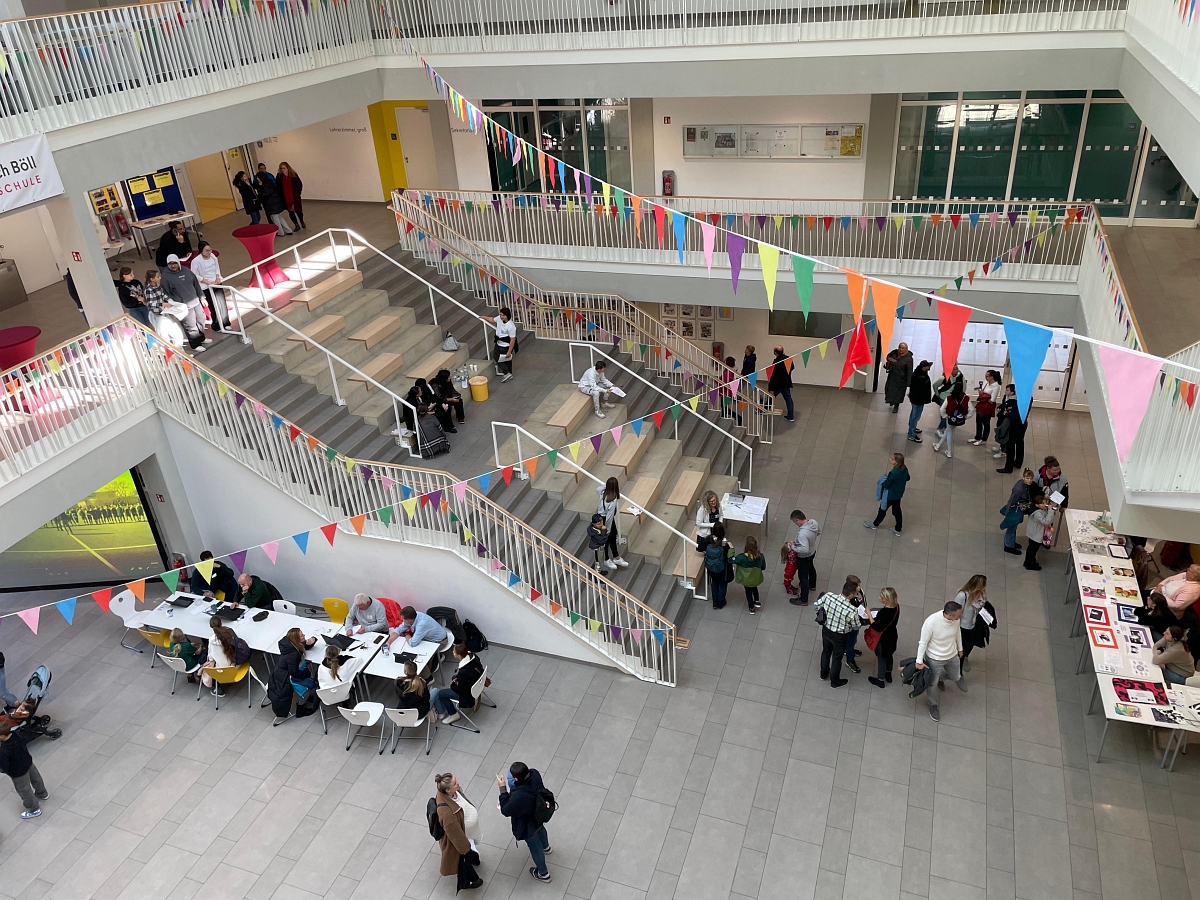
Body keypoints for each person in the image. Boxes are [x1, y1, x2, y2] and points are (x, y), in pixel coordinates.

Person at [497, 762, 553, 883]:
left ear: (516, 779)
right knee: (541, 830)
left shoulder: (518, 795)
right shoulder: (535, 774)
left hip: (527, 825)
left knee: (535, 847)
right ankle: (546, 847)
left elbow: (506, 810)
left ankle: (543, 873)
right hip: (539, 815)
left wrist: (503, 789)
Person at [916, 601, 966, 721]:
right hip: (935, 659)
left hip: (952, 656)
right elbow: (923, 643)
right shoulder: (931, 622)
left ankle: (939, 679)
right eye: (959, 614)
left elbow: (958, 632)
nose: (961, 616)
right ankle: (933, 704)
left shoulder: (956, 620)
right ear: (950, 615)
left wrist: (960, 649)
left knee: (955, 677)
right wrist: (919, 660)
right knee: (932, 684)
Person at [434, 773, 483, 889]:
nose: (458, 783)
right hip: (458, 843)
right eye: (455, 783)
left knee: (466, 859)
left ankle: (474, 862)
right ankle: (473, 880)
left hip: (465, 833)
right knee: (463, 861)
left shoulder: (451, 793)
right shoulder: (447, 814)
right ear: (447, 790)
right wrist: (465, 849)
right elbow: (455, 835)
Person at [814, 580, 862, 688]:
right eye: (855, 593)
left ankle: (823, 674)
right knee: (836, 658)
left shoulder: (829, 596)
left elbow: (816, 606)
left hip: (826, 630)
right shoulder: (852, 610)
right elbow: (856, 626)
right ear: (851, 595)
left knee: (826, 652)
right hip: (840, 636)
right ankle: (834, 681)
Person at [267, 628, 318, 720]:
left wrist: (313, 640)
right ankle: (300, 709)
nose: (304, 636)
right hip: (287, 678)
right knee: (307, 688)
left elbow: (302, 646)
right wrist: (307, 674)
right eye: (302, 636)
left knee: (308, 683)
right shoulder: (293, 654)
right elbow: (294, 673)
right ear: (296, 639)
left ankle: (305, 698)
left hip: (282, 673)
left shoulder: (289, 644)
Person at [161, 254, 209, 351]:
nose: (173, 265)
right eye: (170, 264)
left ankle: (201, 338)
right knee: (190, 325)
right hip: (184, 306)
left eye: (175, 263)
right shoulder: (165, 277)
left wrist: (202, 297)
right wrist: (176, 305)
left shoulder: (186, 271)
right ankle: (195, 344)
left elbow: (196, 284)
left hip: (195, 301)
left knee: (201, 320)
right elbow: (166, 293)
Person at [0, 724, 47, 819]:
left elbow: (4, 765)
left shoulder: (4, 750)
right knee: (36, 778)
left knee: (24, 790)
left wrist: (6, 771)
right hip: (27, 761)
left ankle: (34, 809)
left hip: (17, 771)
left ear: (2, 736)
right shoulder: (17, 734)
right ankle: (42, 793)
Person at [430, 643, 483, 724]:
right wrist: (457, 679)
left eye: (454, 652)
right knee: (454, 677)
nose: (453, 652)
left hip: (467, 696)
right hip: (476, 683)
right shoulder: (473, 657)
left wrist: (453, 685)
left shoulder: (463, 672)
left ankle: (453, 714)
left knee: (441, 693)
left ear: (459, 655)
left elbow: (460, 690)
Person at [865, 452, 909, 535]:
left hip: (890, 495)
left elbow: (887, 485)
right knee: (897, 511)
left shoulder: (893, 472)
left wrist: (882, 481)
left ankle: (875, 524)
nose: (890, 459)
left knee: (882, 509)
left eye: (892, 459)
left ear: (896, 462)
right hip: (898, 494)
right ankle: (898, 529)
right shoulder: (904, 468)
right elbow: (908, 478)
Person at [864, 587, 900, 688]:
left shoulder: (884, 613)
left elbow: (876, 627)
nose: (879, 597)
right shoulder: (896, 607)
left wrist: (869, 615)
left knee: (881, 658)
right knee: (889, 655)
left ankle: (880, 680)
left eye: (881, 596)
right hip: (892, 636)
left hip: (883, 640)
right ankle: (888, 673)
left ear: (887, 599)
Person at [190, 241, 230, 332]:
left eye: (210, 250)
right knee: (213, 305)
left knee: (222, 303)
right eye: (206, 251)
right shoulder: (196, 261)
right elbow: (194, 274)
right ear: (201, 251)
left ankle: (225, 323)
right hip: (205, 286)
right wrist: (206, 281)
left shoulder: (213, 257)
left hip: (216, 282)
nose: (209, 252)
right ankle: (216, 324)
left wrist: (217, 277)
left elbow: (217, 268)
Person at [954, 575, 989, 671]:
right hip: (963, 626)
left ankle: (965, 657)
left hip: (975, 624)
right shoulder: (963, 596)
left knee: (971, 643)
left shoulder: (981, 594)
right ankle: (958, 663)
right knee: (963, 646)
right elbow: (955, 611)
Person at [789, 510, 821, 606]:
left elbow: (804, 549)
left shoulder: (802, 534)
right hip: (812, 551)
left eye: (794, 522)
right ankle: (812, 585)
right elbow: (819, 532)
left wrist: (793, 547)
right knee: (811, 567)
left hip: (803, 557)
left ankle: (803, 599)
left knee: (803, 577)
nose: (795, 524)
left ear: (798, 520)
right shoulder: (814, 522)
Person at [1000, 469, 1035, 555]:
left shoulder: (1023, 484)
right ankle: (1009, 546)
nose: (1029, 480)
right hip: (1015, 509)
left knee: (1013, 527)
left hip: (1017, 508)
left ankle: (1011, 542)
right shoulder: (1019, 489)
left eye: (1031, 478)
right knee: (1012, 526)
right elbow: (1012, 500)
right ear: (1023, 478)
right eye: (1027, 478)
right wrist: (1008, 512)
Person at [596, 477, 629, 569]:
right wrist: (608, 529)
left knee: (613, 535)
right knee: (607, 539)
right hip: (605, 519)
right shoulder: (613, 499)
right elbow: (609, 517)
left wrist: (606, 485)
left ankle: (616, 557)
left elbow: (597, 488)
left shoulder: (602, 492)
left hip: (601, 517)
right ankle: (606, 559)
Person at [932, 380, 968, 459]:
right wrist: (965, 417)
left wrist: (945, 416)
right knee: (948, 431)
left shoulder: (949, 398)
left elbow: (942, 409)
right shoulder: (966, 398)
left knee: (949, 433)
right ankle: (938, 445)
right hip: (959, 419)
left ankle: (949, 451)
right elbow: (971, 410)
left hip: (950, 419)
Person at [994, 385, 1026, 473]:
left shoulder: (1018, 400)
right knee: (1020, 443)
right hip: (1023, 423)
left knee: (1011, 444)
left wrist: (1006, 413)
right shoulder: (1029, 398)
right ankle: (1018, 463)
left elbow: (1015, 414)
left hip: (1015, 424)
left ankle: (1008, 467)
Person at [1024, 494, 1058, 571]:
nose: (1045, 504)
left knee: (1033, 548)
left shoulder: (1041, 509)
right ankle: (1028, 563)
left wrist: (1053, 509)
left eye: (1045, 502)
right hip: (1035, 534)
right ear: (1037, 505)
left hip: (1036, 532)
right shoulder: (1037, 513)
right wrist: (1050, 511)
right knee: (1033, 548)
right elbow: (1046, 521)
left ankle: (1031, 560)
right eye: (1042, 503)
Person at [733, 536, 766, 614]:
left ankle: (751, 607)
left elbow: (731, 560)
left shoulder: (741, 557)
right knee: (754, 587)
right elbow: (763, 567)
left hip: (746, 579)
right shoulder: (760, 556)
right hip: (755, 578)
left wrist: (731, 550)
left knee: (748, 592)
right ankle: (757, 600)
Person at [255, 168, 294, 236]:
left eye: (257, 177)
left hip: (271, 204)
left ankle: (280, 232)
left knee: (275, 219)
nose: (257, 179)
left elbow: (263, 194)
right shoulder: (269, 182)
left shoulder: (264, 185)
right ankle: (288, 230)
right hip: (276, 203)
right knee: (280, 217)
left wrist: (260, 187)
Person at [703, 523, 733, 610]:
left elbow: (700, 547)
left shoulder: (709, 540)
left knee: (714, 583)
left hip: (711, 568)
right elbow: (730, 556)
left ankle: (715, 603)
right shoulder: (726, 544)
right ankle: (721, 602)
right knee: (723, 584)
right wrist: (732, 548)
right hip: (722, 569)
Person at [203, 620, 237, 692]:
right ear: (221, 623)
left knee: (206, 662)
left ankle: (218, 688)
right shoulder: (228, 634)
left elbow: (210, 657)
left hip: (219, 671)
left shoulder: (211, 641)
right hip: (233, 667)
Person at [484, 307, 516, 383]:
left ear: (507, 315)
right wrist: (484, 317)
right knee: (497, 357)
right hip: (498, 343)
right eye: (500, 315)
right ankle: (508, 373)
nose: (501, 316)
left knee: (503, 358)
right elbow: (493, 319)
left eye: (503, 315)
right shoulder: (499, 318)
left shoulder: (511, 326)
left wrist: (509, 351)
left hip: (505, 345)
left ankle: (507, 372)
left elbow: (512, 339)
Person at [970, 370, 1002, 446]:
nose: (985, 377)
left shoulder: (996, 386)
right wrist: (980, 390)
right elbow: (983, 390)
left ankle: (984, 439)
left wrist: (983, 395)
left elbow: (992, 400)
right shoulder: (986, 382)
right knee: (978, 421)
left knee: (986, 423)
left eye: (987, 376)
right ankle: (977, 437)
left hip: (988, 407)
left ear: (992, 377)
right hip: (981, 405)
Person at [932, 366, 964, 436]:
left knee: (947, 414)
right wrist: (937, 394)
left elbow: (963, 387)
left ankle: (944, 427)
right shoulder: (944, 377)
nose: (955, 371)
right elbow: (935, 385)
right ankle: (940, 428)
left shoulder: (961, 377)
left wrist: (961, 397)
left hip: (952, 398)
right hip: (943, 397)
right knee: (945, 413)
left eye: (956, 369)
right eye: (953, 369)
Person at [907, 360, 933, 443]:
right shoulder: (920, 377)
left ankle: (912, 428)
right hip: (918, 399)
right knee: (915, 416)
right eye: (928, 366)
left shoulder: (919, 372)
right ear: (924, 367)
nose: (930, 367)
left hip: (918, 399)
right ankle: (912, 434)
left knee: (915, 415)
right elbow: (918, 390)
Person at [884, 342, 913, 414]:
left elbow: (909, 371)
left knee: (898, 393)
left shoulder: (908, 359)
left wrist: (909, 383)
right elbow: (888, 356)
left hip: (901, 380)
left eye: (903, 348)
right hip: (892, 376)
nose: (900, 349)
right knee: (888, 389)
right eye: (900, 347)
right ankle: (891, 401)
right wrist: (891, 359)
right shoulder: (895, 353)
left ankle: (896, 405)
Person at [768, 346, 795, 421]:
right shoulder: (788, 359)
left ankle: (765, 408)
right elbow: (792, 367)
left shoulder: (776, 361)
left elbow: (773, 376)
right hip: (786, 383)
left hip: (777, 385)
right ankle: (790, 416)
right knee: (788, 399)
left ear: (775, 352)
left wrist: (771, 388)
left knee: (770, 397)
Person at [276, 162, 305, 230]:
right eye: (281, 168)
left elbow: (299, 184)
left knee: (299, 211)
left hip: (295, 196)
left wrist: (298, 193)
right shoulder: (279, 176)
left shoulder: (293, 175)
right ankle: (296, 224)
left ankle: (301, 221)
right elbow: (278, 186)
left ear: (287, 168)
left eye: (284, 168)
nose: (282, 170)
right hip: (286, 197)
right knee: (291, 211)